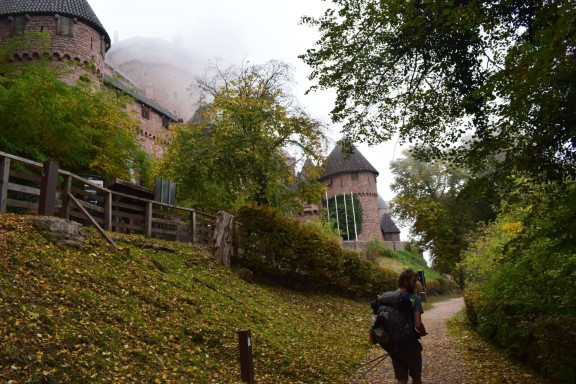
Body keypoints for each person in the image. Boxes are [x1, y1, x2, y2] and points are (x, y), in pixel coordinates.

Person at [387, 269, 427, 384]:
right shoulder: (414, 298)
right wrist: (423, 332)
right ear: (405, 282)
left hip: (393, 345)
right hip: (410, 345)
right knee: (416, 378)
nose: (415, 284)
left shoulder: (391, 297)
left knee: (401, 379)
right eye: (413, 281)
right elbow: (418, 324)